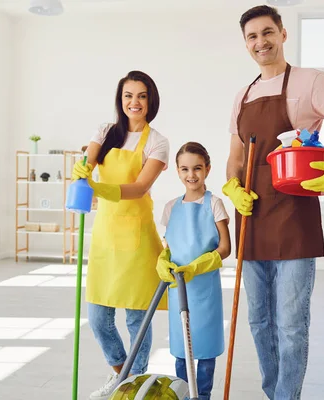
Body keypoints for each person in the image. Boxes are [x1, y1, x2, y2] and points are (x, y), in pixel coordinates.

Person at [223, 5, 324, 400]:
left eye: (268, 32)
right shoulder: (243, 95)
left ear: (283, 34)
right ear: (245, 43)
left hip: (295, 215)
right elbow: (235, 159)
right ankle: (273, 393)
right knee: (258, 322)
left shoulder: (311, 81)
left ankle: (287, 397)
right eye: (252, 36)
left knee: (291, 323)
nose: (261, 42)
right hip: (252, 218)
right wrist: (231, 187)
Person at [72, 70, 170, 400]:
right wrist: (82, 168)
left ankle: (134, 384)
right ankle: (123, 377)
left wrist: (99, 186)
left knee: (136, 319)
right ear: (120, 99)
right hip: (106, 235)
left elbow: (141, 186)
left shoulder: (158, 142)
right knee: (99, 318)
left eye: (141, 96)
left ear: (150, 100)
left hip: (137, 236)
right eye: (128, 95)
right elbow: (90, 158)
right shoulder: (105, 130)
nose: (134, 102)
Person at [156, 142, 231, 400]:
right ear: (177, 171)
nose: (191, 175)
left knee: (206, 349)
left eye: (197, 168)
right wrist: (163, 260)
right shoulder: (171, 207)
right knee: (180, 348)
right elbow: (168, 246)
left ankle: (203, 396)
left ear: (207, 169)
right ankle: (183, 395)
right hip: (178, 287)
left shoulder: (215, 204)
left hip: (205, 288)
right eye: (185, 169)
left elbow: (225, 247)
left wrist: (198, 266)